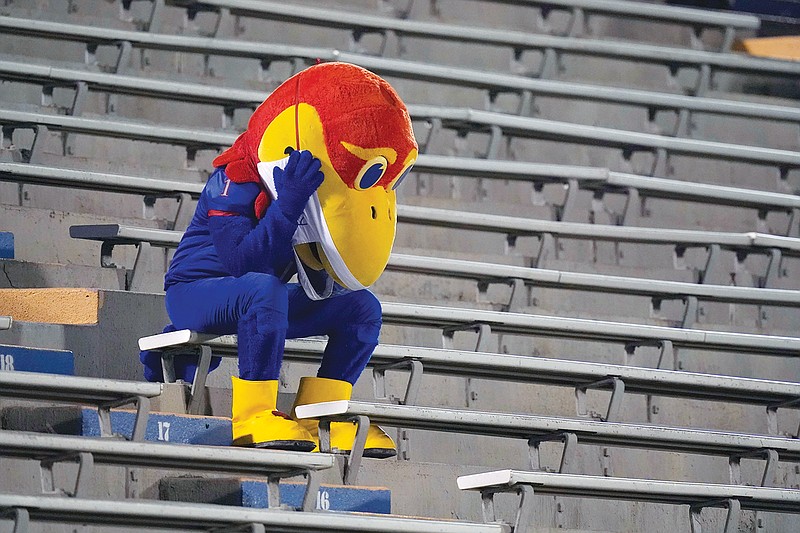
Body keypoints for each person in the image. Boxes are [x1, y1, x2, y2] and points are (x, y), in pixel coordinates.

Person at [142, 62, 418, 458]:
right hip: (193, 293)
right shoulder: (232, 180)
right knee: (262, 289)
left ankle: (321, 413)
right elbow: (243, 262)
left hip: (260, 296)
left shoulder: (313, 183)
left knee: (361, 308)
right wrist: (288, 203)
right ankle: (254, 413)